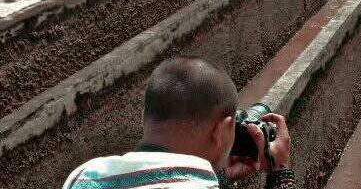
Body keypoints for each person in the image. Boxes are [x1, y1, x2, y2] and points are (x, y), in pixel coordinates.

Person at [62, 58, 296, 189]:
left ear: (145, 115)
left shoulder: (84, 176)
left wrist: (220, 178)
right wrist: (280, 173)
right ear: (223, 130)